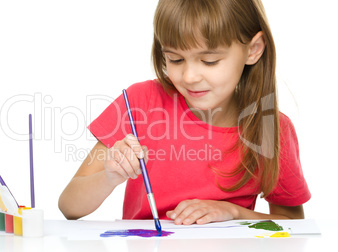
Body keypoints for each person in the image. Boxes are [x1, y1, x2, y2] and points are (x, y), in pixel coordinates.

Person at [58, 0, 310, 225]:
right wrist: (109, 177)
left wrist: (232, 212)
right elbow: (69, 207)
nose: (189, 77)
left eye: (209, 61)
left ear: (253, 50)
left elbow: (292, 222)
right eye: (175, 60)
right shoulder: (140, 102)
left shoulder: (270, 127)